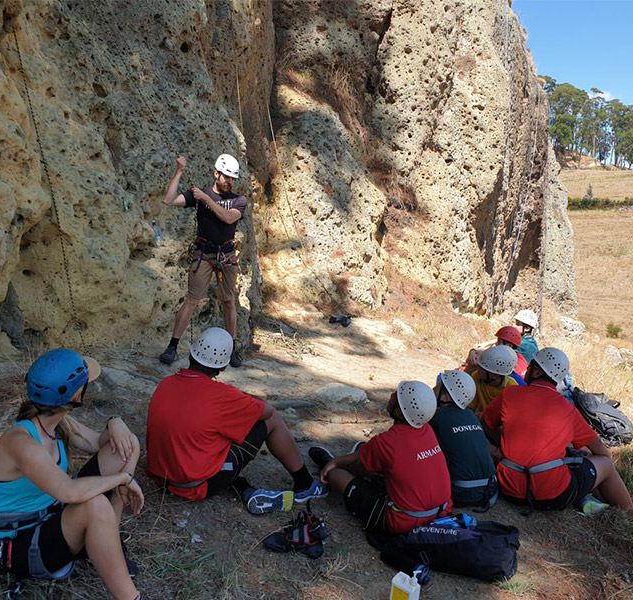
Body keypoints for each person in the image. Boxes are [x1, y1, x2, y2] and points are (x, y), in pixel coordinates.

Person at [0, 350, 146, 600]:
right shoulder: (21, 442)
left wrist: (115, 422)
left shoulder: (58, 423)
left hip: (52, 518)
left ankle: (110, 540)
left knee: (126, 446)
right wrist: (124, 480)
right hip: (18, 544)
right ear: (76, 395)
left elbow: (101, 444)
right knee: (95, 505)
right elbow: (69, 492)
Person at [147, 327, 328, 514]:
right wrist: (242, 400)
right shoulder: (224, 397)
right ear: (223, 367)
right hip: (194, 486)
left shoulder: (165, 384)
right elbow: (267, 412)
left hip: (161, 478)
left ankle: (245, 488)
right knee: (272, 420)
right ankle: (306, 484)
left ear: (191, 355)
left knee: (217, 433)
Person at [482, 347, 633, 521]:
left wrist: (499, 444)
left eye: (530, 365)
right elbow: (603, 453)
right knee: (605, 464)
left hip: (507, 488)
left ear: (537, 371)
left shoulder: (509, 393)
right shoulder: (568, 409)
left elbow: (485, 423)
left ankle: (586, 497)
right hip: (551, 497)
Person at [308, 381, 452, 534]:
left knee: (337, 474)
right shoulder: (427, 430)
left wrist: (336, 463)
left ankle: (328, 463)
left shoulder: (387, 441)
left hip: (404, 521)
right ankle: (358, 455)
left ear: (399, 411)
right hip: (441, 512)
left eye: (396, 396)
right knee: (376, 460)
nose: (390, 396)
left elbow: (357, 471)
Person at [158, 154, 247, 368]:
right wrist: (179, 171)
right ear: (216, 174)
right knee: (192, 299)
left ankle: (232, 348)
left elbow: (227, 218)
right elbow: (169, 200)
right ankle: (172, 346)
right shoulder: (200, 195)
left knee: (228, 302)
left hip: (226, 255)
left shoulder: (238, 200)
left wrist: (205, 199)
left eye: (233, 178)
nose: (229, 182)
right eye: (226, 177)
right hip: (204, 254)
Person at [429, 370, 498, 508]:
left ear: (446, 395)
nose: (433, 389)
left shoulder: (436, 417)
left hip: (460, 492)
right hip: (490, 489)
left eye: (438, 386)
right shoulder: (470, 415)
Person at [465, 345, 519, 416]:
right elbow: (470, 406)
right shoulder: (476, 377)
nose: (478, 369)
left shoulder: (512, 388)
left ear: (494, 375)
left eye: (482, 369)